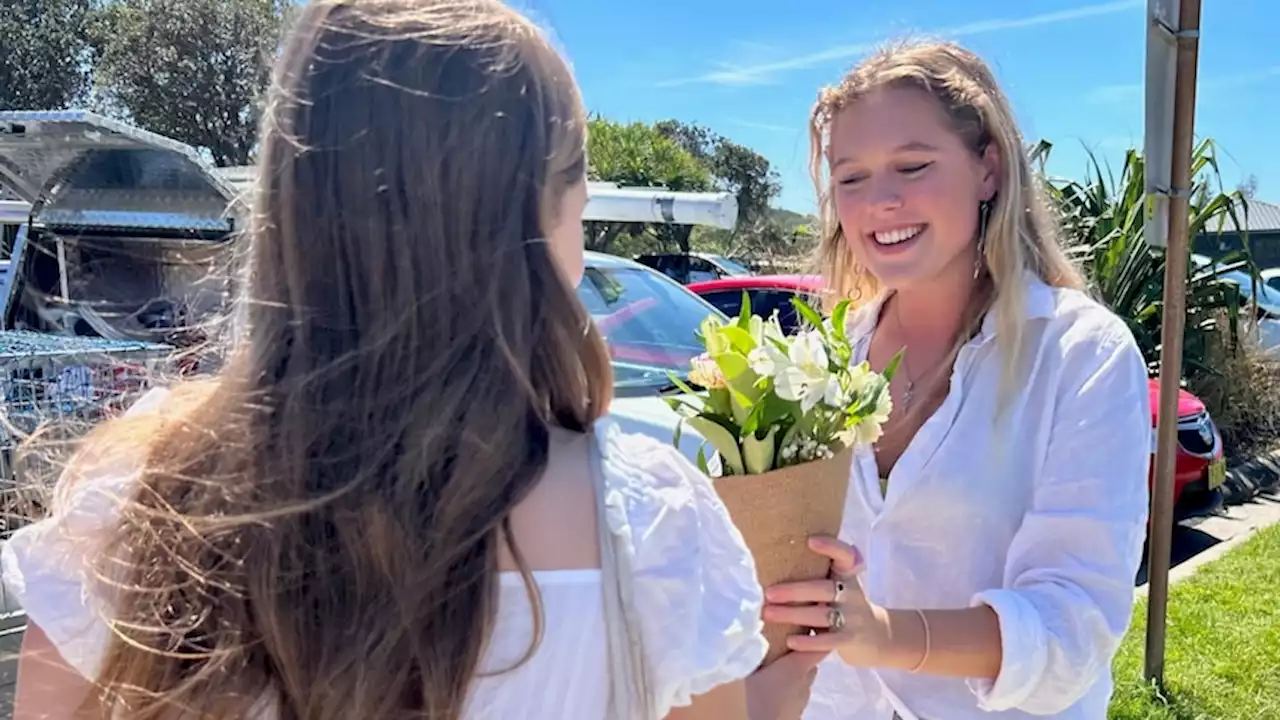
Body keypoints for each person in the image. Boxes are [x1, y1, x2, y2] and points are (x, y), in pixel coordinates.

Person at [1, 2, 818, 718]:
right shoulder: (653, 522)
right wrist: (799, 655)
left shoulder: (138, 496)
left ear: (294, 200)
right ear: (552, 209)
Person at [761, 40, 1151, 719]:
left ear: (988, 170)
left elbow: (1073, 626)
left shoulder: (1079, 354)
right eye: (850, 178)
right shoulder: (826, 357)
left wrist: (885, 634)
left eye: (913, 166)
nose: (880, 201)